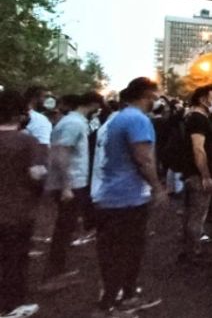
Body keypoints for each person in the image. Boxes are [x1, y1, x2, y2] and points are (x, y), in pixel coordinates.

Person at [92, 78, 166, 317]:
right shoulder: (137, 119)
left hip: (110, 194)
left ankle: (117, 296)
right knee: (128, 250)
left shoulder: (119, 118)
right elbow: (143, 159)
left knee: (113, 250)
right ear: (146, 94)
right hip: (128, 197)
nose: (158, 99)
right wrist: (156, 186)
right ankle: (118, 301)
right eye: (156, 94)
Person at [42, 92, 104, 289]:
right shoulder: (74, 123)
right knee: (64, 228)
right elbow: (62, 153)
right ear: (92, 104)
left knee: (65, 227)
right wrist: (67, 186)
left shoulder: (74, 122)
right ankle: (53, 274)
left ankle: (57, 271)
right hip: (70, 184)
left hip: (71, 182)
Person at [0, 91, 46, 318]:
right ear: (20, 115)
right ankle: (12, 305)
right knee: (15, 260)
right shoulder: (28, 142)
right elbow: (37, 175)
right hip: (17, 212)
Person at [179, 85, 212, 263]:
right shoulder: (198, 119)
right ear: (203, 100)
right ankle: (193, 252)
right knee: (197, 215)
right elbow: (198, 149)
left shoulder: (199, 117)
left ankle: (189, 249)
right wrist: (205, 175)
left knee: (192, 213)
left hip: (195, 174)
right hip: (199, 176)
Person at [24, 86, 52, 172]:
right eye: (44, 97)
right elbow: (43, 148)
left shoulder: (13, 117)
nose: (45, 101)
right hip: (33, 170)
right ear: (35, 98)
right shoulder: (40, 119)